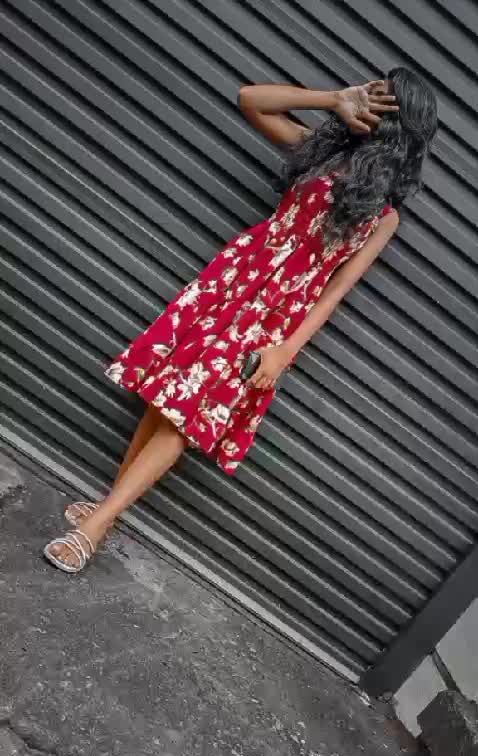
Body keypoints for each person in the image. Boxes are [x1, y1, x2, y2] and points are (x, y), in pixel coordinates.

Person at [44, 67, 438, 573]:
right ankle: (107, 512)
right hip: (232, 282)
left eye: (380, 98)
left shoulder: (384, 216)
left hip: (275, 317)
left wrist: (284, 351)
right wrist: (333, 99)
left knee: (188, 415)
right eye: (369, 93)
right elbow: (250, 99)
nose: (368, 101)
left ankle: (97, 526)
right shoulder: (322, 152)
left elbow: (332, 294)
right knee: (169, 399)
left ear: (399, 122)